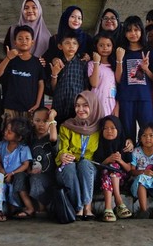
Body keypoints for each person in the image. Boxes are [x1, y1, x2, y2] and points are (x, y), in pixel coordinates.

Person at [56, 91, 104, 221]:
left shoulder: (100, 128)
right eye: (77, 105)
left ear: (93, 106)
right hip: (68, 168)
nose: (80, 109)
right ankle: (79, 207)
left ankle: (87, 207)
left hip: (88, 170)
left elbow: (115, 137)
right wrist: (62, 156)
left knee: (85, 163)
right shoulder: (67, 126)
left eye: (85, 105)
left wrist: (130, 141)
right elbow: (62, 149)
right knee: (69, 166)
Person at [116, 16, 153, 144]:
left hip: (144, 97)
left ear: (141, 31)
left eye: (136, 29)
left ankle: (150, 161)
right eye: (129, 30)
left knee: (149, 131)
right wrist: (119, 59)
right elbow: (118, 79)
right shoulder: (121, 51)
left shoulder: (149, 51)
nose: (133, 33)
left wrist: (146, 69)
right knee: (128, 135)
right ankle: (129, 161)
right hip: (126, 98)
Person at [0, 25, 46, 120]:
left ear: (32, 42)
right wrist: (8, 58)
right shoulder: (10, 60)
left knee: (28, 133)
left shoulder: (37, 62)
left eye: (27, 38)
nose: (24, 41)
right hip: (10, 107)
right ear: (15, 42)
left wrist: (38, 104)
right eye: (20, 39)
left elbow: (41, 84)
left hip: (30, 108)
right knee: (9, 133)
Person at [93, 115, 132, 222]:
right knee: (108, 169)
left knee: (113, 167)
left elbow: (129, 169)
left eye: (112, 128)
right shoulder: (99, 144)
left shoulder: (125, 145)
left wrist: (120, 161)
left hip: (121, 180)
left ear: (118, 129)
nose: (109, 131)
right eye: (105, 128)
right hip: (103, 179)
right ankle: (118, 204)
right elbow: (96, 165)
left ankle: (109, 208)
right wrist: (108, 160)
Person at [0, 117, 33, 219]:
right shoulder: (2, 145)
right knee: (2, 190)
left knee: (17, 190)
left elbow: (26, 164)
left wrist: (12, 173)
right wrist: (2, 171)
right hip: (4, 176)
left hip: (16, 176)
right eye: (6, 129)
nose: (5, 132)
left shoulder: (23, 148)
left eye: (10, 132)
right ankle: (4, 210)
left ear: (19, 137)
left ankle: (29, 208)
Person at [50, 30, 89, 125]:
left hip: (76, 106)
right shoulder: (57, 63)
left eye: (74, 43)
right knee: (59, 131)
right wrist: (54, 74)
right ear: (60, 46)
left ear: (78, 46)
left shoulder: (83, 63)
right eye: (67, 43)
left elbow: (86, 86)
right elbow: (53, 87)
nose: (71, 46)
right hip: (59, 104)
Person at [28, 107, 58, 213]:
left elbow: (54, 139)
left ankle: (42, 207)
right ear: (32, 121)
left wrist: (52, 118)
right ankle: (37, 207)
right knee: (31, 178)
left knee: (36, 179)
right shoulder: (30, 139)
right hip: (33, 175)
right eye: (37, 121)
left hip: (49, 176)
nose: (41, 124)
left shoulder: (51, 138)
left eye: (45, 121)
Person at [89, 32, 118, 117]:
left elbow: (119, 85)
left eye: (108, 45)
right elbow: (94, 83)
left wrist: (117, 107)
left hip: (111, 104)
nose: (105, 48)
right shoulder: (91, 64)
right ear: (96, 46)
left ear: (112, 47)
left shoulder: (115, 65)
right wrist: (96, 62)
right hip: (95, 104)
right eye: (101, 45)